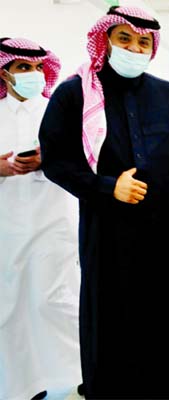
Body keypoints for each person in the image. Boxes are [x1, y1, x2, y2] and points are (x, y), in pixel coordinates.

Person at [38, 6, 169, 399]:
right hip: (108, 235)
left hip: (166, 237)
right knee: (112, 325)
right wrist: (106, 187)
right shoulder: (75, 94)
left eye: (143, 41)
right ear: (106, 40)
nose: (135, 47)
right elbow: (56, 159)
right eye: (125, 39)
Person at [0, 37, 81, 400]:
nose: (32, 75)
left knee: (57, 299)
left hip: (53, 218)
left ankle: (83, 369)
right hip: (7, 223)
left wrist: (45, 160)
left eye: (35, 67)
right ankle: (25, 385)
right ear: (5, 72)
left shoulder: (56, 108)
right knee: (10, 305)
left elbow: (86, 154)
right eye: (22, 68)